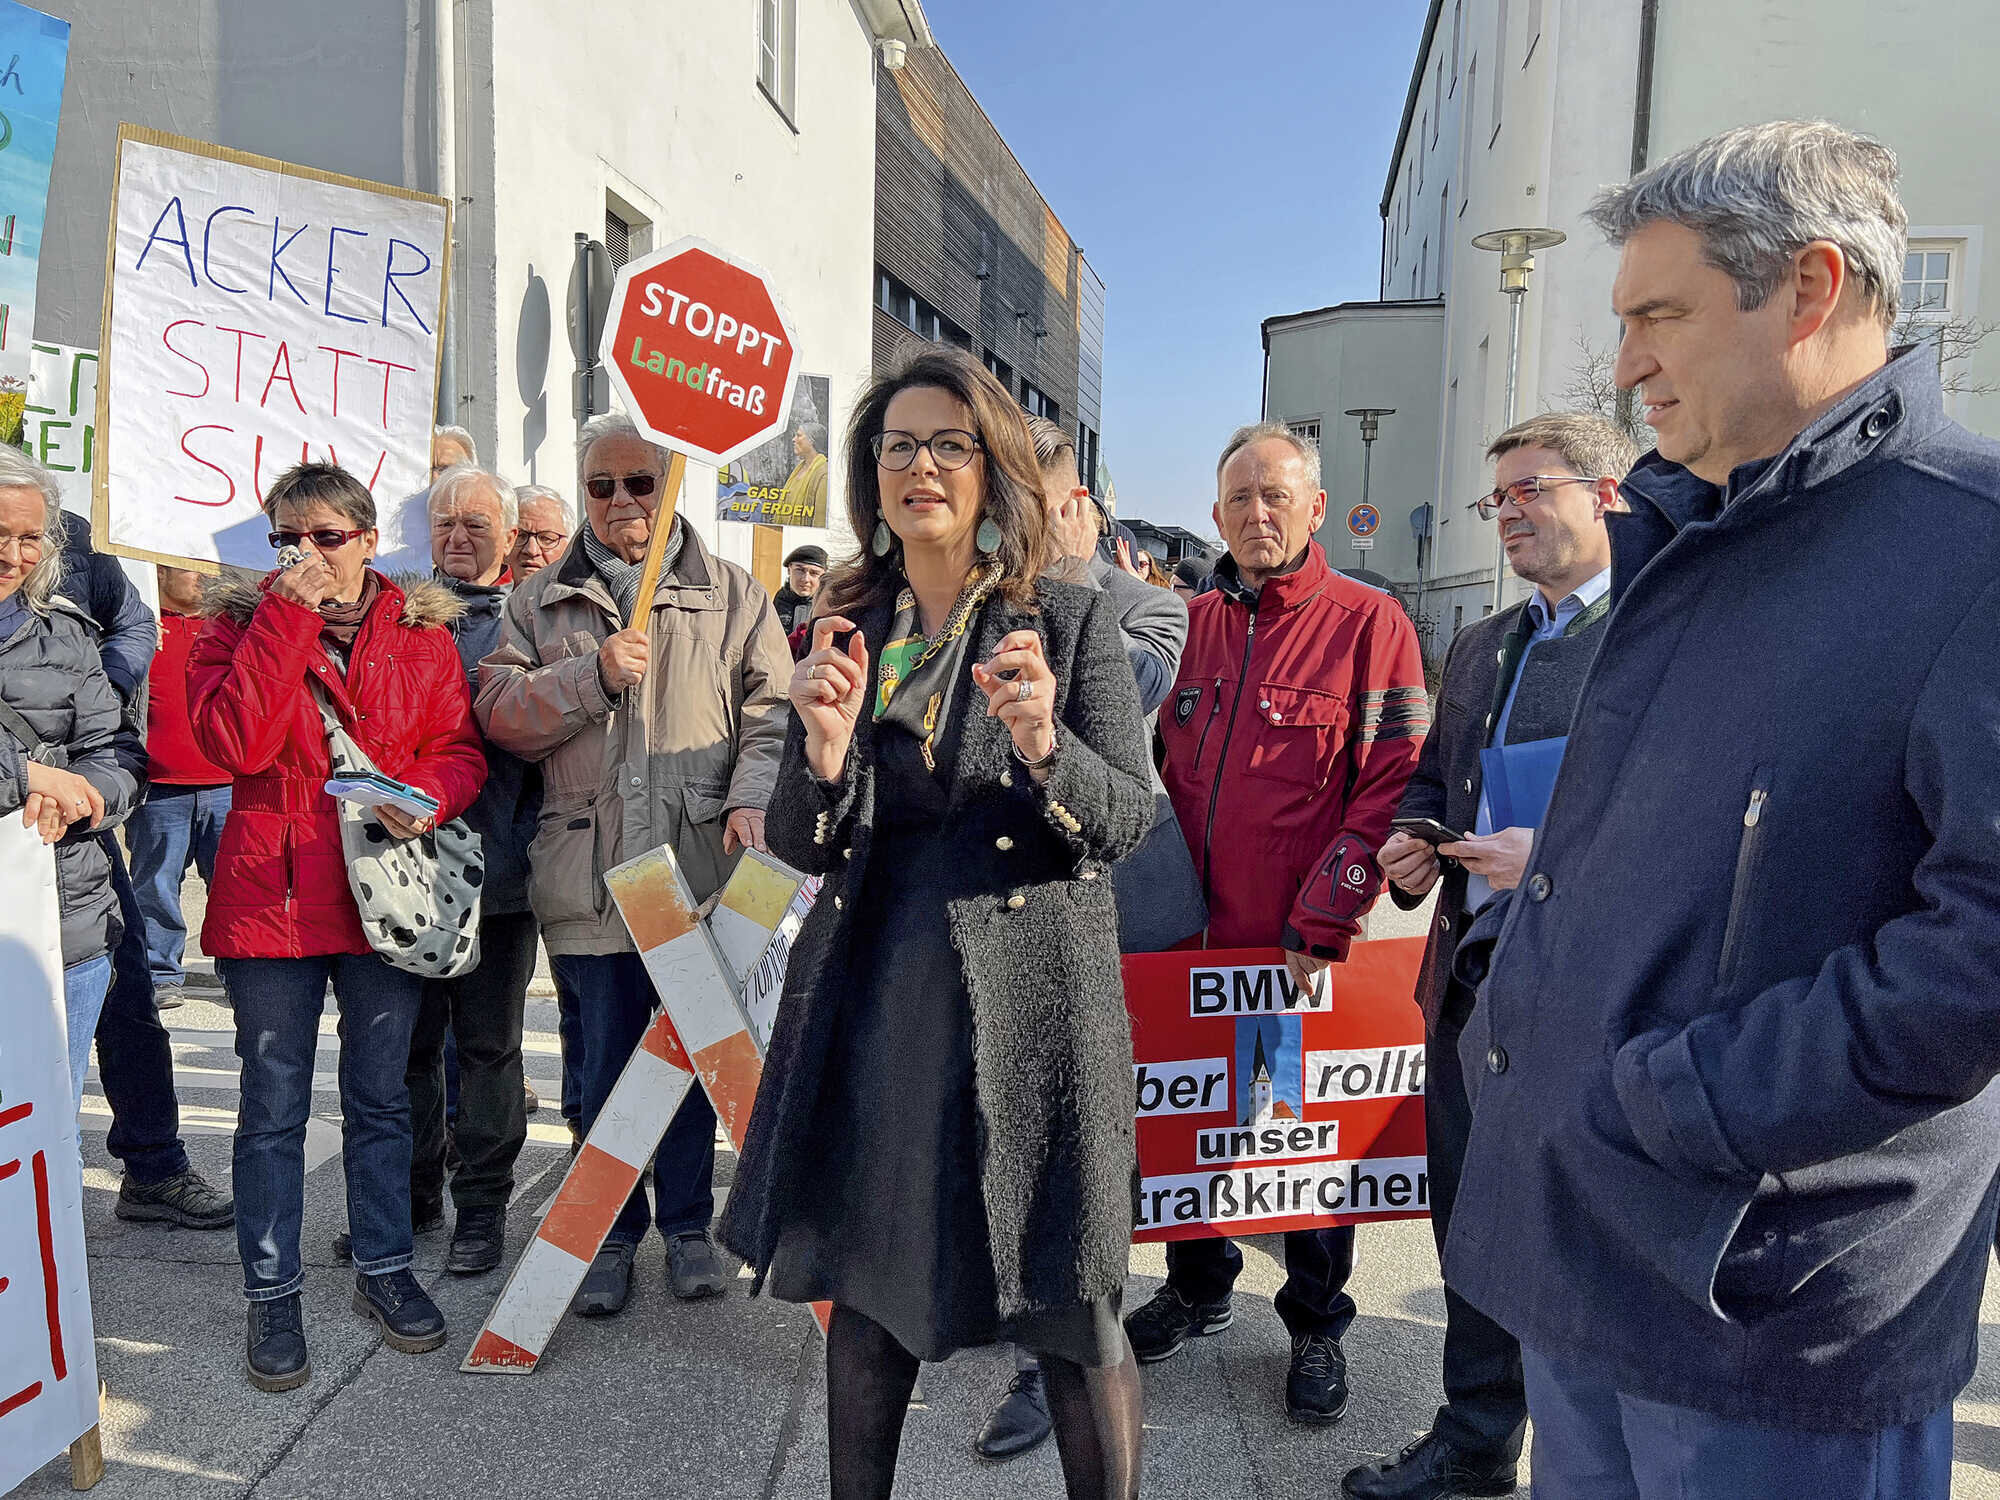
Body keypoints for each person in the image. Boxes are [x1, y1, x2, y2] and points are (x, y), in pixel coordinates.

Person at [1446, 121, 2000, 1499]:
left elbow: (1979, 946)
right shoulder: (1689, 531)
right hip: (1588, 1249)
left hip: (1771, 1307)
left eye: (1659, 316)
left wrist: (1692, 1100)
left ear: (1808, 291)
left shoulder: (1971, 546)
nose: (1626, 362)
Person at [718, 346, 1154, 1500]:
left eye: (948, 444)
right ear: (870, 473)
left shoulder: (1062, 618)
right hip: (883, 990)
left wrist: (1046, 744)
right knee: (869, 1285)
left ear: (990, 469)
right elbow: (806, 844)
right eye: (898, 445)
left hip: (1037, 996)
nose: (920, 466)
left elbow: (1126, 823)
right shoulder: (845, 615)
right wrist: (817, 760)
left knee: (1070, 1305)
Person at [1348, 411, 1634, 1500]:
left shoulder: (1655, 633)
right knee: (1466, 1215)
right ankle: (1473, 1444)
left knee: (1572, 1234)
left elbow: (1684, 819)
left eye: (1530, 491)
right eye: (1495, 498)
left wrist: (1550, 854)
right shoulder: (1482, 642)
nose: (1506, 515)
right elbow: (1433, 778)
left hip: (1593, 989)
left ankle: (1591, 1458)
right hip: (1471, 979)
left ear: (1604, 493)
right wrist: (1414, 842)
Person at [1140, 421, 1427, 1425]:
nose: (1256, 516)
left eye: (1276, 497)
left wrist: (1324, 917)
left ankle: (1312, 1320)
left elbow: (1391, 785)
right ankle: (1197, 1286)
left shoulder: (1369, 622)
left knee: (1299, 1140)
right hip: (1187, 947)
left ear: (1314, 507)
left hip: (1294, 952)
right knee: (1191, 1123)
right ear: (1213, 515)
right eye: (1237, 500)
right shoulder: (1182, 626)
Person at [477, 411, 791, 1315]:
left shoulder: (736, 595)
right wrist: (593, 677)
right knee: (602, 1060)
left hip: (698, 867)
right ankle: (607, 1232)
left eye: (639, 483)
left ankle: (690, 1226)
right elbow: (499, 711)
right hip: (589, 872)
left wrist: (750, 795)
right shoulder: (537, 601)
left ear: (671, 486)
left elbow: (771, 712)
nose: (620, 502)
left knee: (694, 1051)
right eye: (601, 486)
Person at [190, 462, 487, 1393]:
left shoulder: (424, 633)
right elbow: (234, 744)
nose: (304, 553)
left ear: (366, 538)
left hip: (381, 893)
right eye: (287, 537)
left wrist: (428, 797)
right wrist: (287, 615)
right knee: (273, 1108)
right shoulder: (233, 627)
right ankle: (271, 1292)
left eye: (324, 536)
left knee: (383, 1097)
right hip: (270, 897)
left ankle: (384, 1268)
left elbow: (458, 749)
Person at [968, 417, 1191, 1464]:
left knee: (1096, 1148)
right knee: (1033, 1138)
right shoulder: (975, 601)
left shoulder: (1142, 601)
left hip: (1123, 899)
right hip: (1015, 912)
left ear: (1080, 507)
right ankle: (1030, 1347)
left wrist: (1062, 582)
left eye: (1041, 494)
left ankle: (1094, 1339)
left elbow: (1128, 697)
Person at [60, 521, 237, 1229]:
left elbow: (134, 634)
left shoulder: (78, 542)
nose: (16, 551)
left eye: (27, 537)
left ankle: (153, 1166)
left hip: (79, 839)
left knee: (128, 1004)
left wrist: (96, 773)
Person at [397, 465, 539, 1276]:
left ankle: (480, 1209)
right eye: (445, 522)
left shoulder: (533, 620)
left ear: (509, 538)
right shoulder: (394, 616)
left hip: (499, 874)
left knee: (489, 1051)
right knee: (407, 1053)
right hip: (400, 878)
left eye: (476, 525)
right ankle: (414, 1195)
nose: (457, 536)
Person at [0, 451, 142, 1112]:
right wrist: (29, 775)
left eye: (29, 537)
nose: (12, 554)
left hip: (68, 928)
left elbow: (117, 753)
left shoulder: (70, 637)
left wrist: (86, 798)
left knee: (41, 1136)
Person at [125, 566, 234, 1012]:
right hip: (159, 788)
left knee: (233, 888)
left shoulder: (230, 628)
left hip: (229, 785)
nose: (206, 579)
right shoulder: (141, 628)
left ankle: (240, 972)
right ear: (161, 572)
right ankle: (159, 972)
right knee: (155, 885)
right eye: (194, 570)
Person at [507, 484, 572, 583]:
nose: (531, 551)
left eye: (546, 539)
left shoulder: (587, 596)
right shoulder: (477, 596)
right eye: (520, 536)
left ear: (568, 547)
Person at [779, 421, 829, 523]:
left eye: (799, 435)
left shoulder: (823, 473)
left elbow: (820, 520)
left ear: (812, 441)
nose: (794, 439)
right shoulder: (797, 470)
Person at [772, 543, 827, 633]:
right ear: (789, 570)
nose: (805, 579)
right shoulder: (777, 602)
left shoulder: (826, 607)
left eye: (814, 573)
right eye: (800, 570)